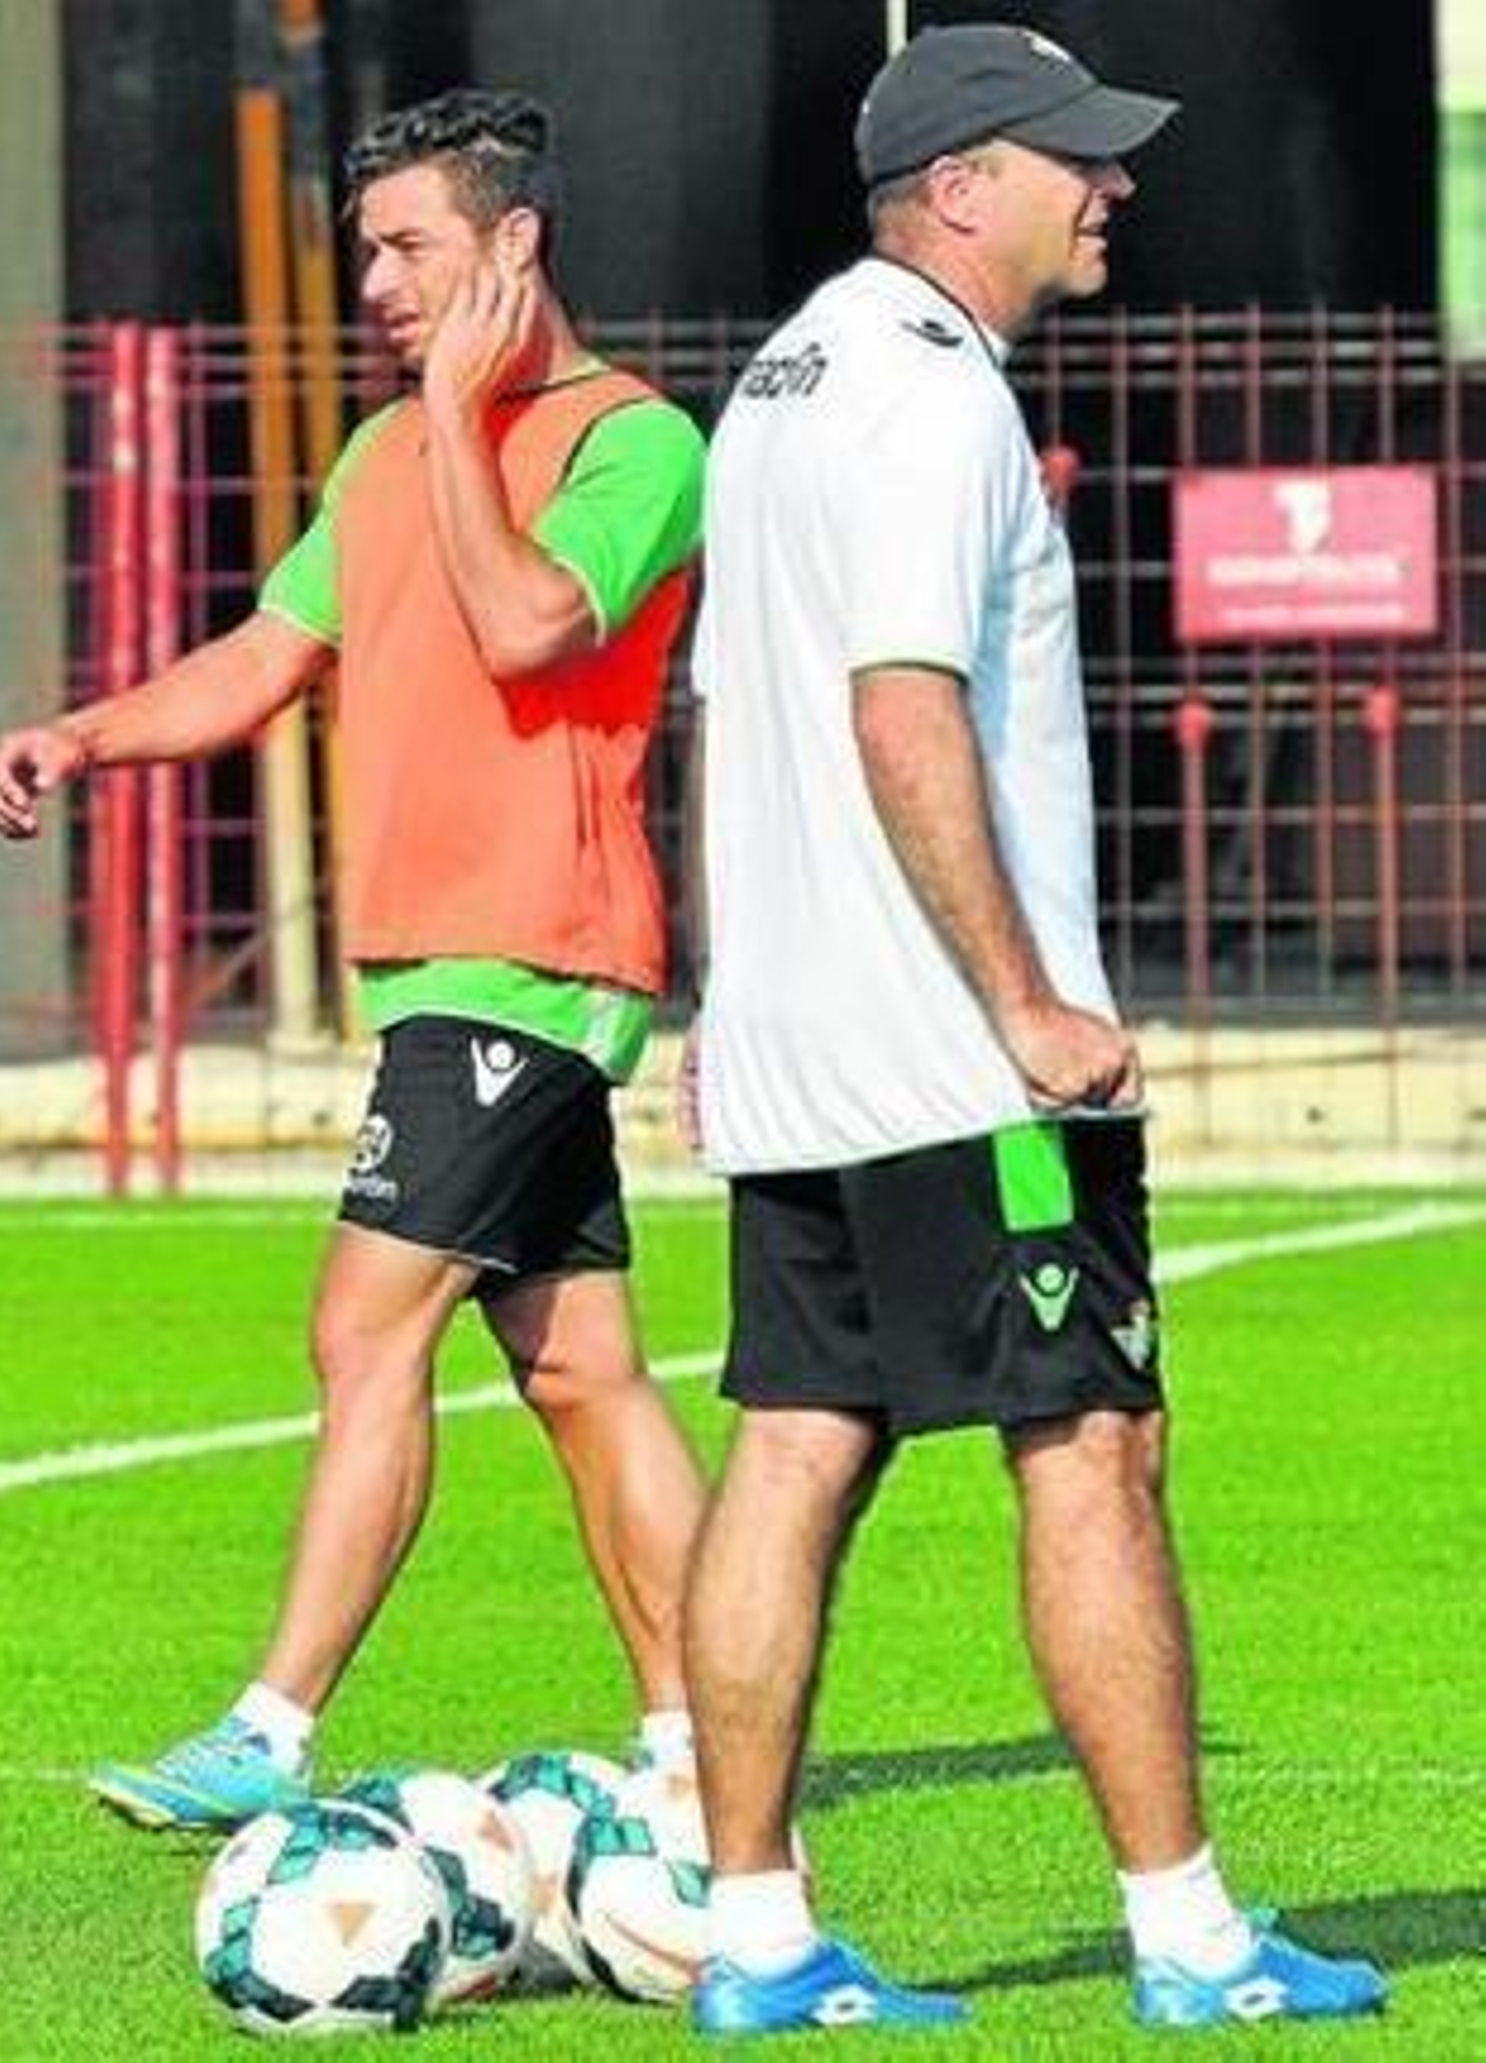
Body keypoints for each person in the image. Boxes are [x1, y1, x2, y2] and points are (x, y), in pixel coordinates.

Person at [681, 23, 1388, 2037]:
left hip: (807, 1048)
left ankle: (754, 1941)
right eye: (1077, 159)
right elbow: (899, 704)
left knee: (794, 1443)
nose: (1115, 188)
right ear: (960, 185)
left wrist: (726, 992)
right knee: (1094, 1446)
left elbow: (723, 711)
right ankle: (1190, 1941)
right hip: (952, 1057)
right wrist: (1025, 1005)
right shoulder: (930, 397)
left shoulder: (782, 378)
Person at [0, 88, 708, 1830]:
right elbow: (265, 654)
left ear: (514, 246)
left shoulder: (638, 444)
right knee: (580, 1371)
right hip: (441, 970)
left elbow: (530, 625)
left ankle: (270, 1728)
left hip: (526, 954)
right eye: (364, 251)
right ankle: (705, 1745)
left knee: (361, 1325)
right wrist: (84, 736)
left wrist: (456, 413)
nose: (375, 284)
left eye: (407, 249)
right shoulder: (379, 458)